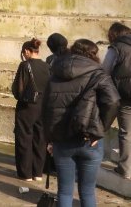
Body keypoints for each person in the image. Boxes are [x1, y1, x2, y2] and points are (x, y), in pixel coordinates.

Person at [44, 39, 120, 207]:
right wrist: (101, 129)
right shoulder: (99, 74)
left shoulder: (55, 72)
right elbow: (113, 101)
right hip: (89, 139)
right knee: (87, 191)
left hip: (62, 140)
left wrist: (49, 138)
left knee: (64, 191)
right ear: (93, 54)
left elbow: (46, 108)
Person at [11, 38, 50, 181]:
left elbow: (18, 89)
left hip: (27, 106)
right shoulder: (47, 65)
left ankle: (25, 173)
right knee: (40, 139)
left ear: (27, 51)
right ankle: (38, 173)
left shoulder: (24, 65)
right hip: (43, 106)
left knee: (24, 138)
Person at [103, 22, 131, 179]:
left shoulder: (116, 47)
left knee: (126, 132)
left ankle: (126, 169)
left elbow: (105, 70)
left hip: (126, 96)